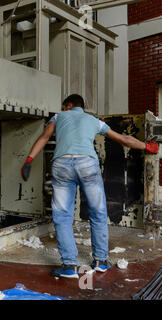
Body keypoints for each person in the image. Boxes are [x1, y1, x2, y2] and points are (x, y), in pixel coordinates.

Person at [21, 94, 159, 279]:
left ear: (69, 105)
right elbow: (123, 139)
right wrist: (148, 147)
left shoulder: (58, 117)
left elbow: (44, 137)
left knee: (62, 216)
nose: (63, 109)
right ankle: (101, 261)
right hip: (87, 165)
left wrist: (29, 160)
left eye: (64, 106)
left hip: (62, 165)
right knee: (98, 212)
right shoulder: (94, 121)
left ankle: (69, 266)